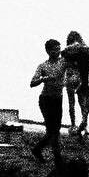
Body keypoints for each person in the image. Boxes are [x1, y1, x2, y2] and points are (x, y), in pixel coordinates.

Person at [30, 39, 66, 169]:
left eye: (59, 49)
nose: (58, 51)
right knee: (53, 131)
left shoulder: (64, 62)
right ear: (48, 51)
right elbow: (32, 83)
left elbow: (75, 60)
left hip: (58, 99)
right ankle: (58, 160)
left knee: (54, 130)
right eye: (54, 49)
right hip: (46, 100)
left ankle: (37, 149)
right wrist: (43, 79)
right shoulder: (43, 66)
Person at [63, 31, 89, 139]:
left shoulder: (68, 51)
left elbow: (64, 65)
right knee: (82, 103)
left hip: (69, 78)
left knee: (71, 104)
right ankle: (84, 125)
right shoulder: (82, 49)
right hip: (80, 78)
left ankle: (73, 125)